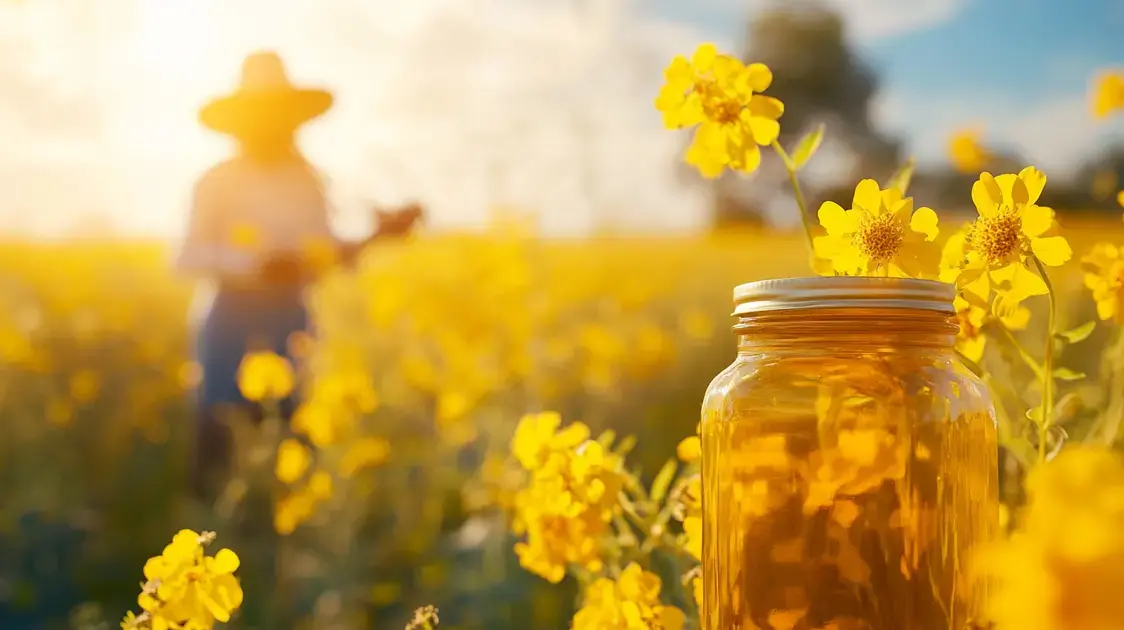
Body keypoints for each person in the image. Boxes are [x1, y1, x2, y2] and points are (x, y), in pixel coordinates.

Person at [176, 50, 421, 502]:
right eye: (261, 115)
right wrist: (255, 265)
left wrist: (378, 236)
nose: (274, 125)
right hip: (230, 322)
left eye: (280, 115)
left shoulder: (309, 181)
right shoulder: (217, 180)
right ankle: (211, 531)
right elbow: (187, 256)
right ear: (242, 121)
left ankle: (273, 551)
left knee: (289, 445)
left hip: (291, 323)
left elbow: (325, 254)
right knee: (218, 445)